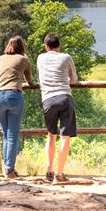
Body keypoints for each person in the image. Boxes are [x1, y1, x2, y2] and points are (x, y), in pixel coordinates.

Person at [37, 33, 78, 183]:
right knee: (65, 137)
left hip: (48, 99)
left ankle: (49, 170)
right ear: (59, 45)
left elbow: (39, 77)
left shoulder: (40, 58)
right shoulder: (66, 57)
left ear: (46, 46)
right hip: (65, 97)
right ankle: (59, 174)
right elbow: (74, 79)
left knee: (51, 135)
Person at [0, 36, 32, 179]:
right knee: (12, 135)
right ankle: (9, 171)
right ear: (22, 47)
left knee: (6, 133)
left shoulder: (0, 58)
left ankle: (7, 169)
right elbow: (30, 80)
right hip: (14, 95)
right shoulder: (24, 60)